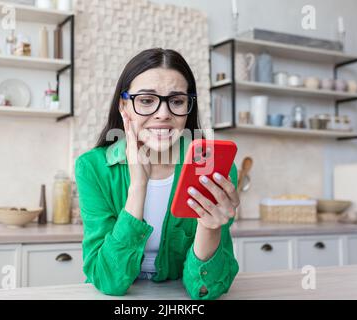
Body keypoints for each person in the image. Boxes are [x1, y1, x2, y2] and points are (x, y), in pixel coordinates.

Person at [75, 48, 240, 300]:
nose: (163, 113)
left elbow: (207, 290)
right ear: (124, 107)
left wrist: (209, 227)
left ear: (188, 107)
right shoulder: (92, 168)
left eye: (176, 101)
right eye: (146, 100)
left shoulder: (216, 169)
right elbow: (108, 280)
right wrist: (138, 186)